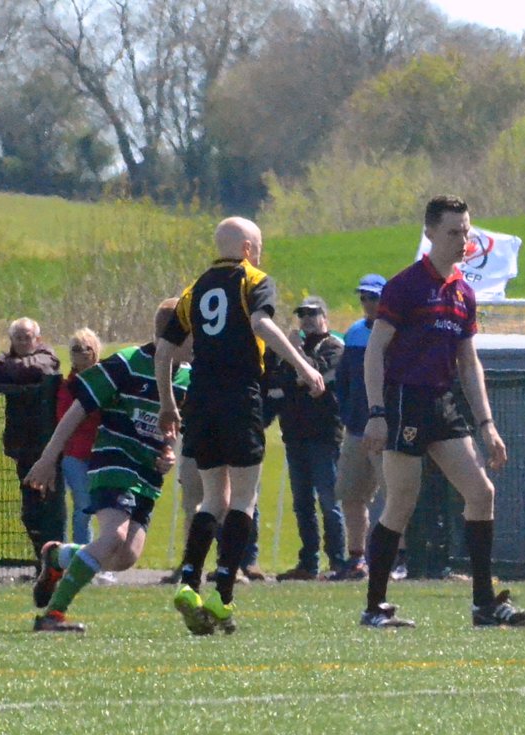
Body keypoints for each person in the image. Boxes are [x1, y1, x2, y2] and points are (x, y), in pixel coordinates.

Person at [360, 194, 525, 629]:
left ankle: (483, 604)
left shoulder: (463, 293)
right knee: (402, 501)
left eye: (466, 232)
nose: (463, 240)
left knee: (481, 493)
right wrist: (377, 411)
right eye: (454, 232)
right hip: (406, 401)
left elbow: (469, 364)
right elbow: (375, 350)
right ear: (430, 233)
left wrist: (487, 425)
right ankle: (374, 606)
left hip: (442, 402)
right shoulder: (404, 286)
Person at [156, 216, 326, 634]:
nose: (261, 252)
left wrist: (167, 403)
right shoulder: (254, 280)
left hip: (201, 398)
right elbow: (261, 324)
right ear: (248, 248)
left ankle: (189, 583)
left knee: (212, 498)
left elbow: (163, 349)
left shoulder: (195, 289)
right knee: (243, 499)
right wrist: (303, 366)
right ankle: (223, 595)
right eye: (259, 245)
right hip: (239, 395)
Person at [25, 300, 188, 632]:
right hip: (114, 462)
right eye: (194, 335)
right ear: (174, 336)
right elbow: (78, 409)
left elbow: (172, 427)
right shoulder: (127, 363)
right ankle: (52, 616)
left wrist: (169, 453)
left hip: (146, 475)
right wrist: (48, 458)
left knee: (125, 557)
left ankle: (58, 558)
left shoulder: (187, 377)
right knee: (113, 536)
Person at [0, 316, 65, 556]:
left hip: (50, 448)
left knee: (51, 509)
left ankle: (58, 561)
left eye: (28, 337)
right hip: (23, 448)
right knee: (30, 512)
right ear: (11, 340)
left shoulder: (48, 355)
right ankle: (42, 559)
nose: (24, 342)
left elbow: (39, 369)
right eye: (18, 338)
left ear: (37, 338)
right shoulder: (5, 359)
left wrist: (10, 369)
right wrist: (15, 369)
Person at [272, 295, 345, 579]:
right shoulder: (289, 351)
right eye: (302, 315)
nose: (306, 320)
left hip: (324, 435)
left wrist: (296, 354)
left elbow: (317, 375)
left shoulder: (334, 346)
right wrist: (297, 373)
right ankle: (308, 562)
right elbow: (281, 381)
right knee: (302, 503)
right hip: (294, 434)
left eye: (312, 314)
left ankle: (338, 561)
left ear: (324, 317)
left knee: (329, 500)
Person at [332, 273, 388, 579]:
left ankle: (398, 557)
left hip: (387, 431)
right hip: (355, 430)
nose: (367, 303)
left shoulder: (396, 332)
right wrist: (347, 413)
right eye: (363, 298)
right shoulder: (353, 333)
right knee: (351, 494)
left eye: (373, 297)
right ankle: (356, 558)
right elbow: (342, 380)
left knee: (393, 494)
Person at [58, 328, 103, 560]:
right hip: (75, 454)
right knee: (83, 505)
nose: (81, 353)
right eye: (76, 349)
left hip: (101, 454)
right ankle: (80, 557)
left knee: (104, 507)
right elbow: (64, 417)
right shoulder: (68, 386)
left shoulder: (105, 381)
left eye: (86, 348)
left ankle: (95, 555)